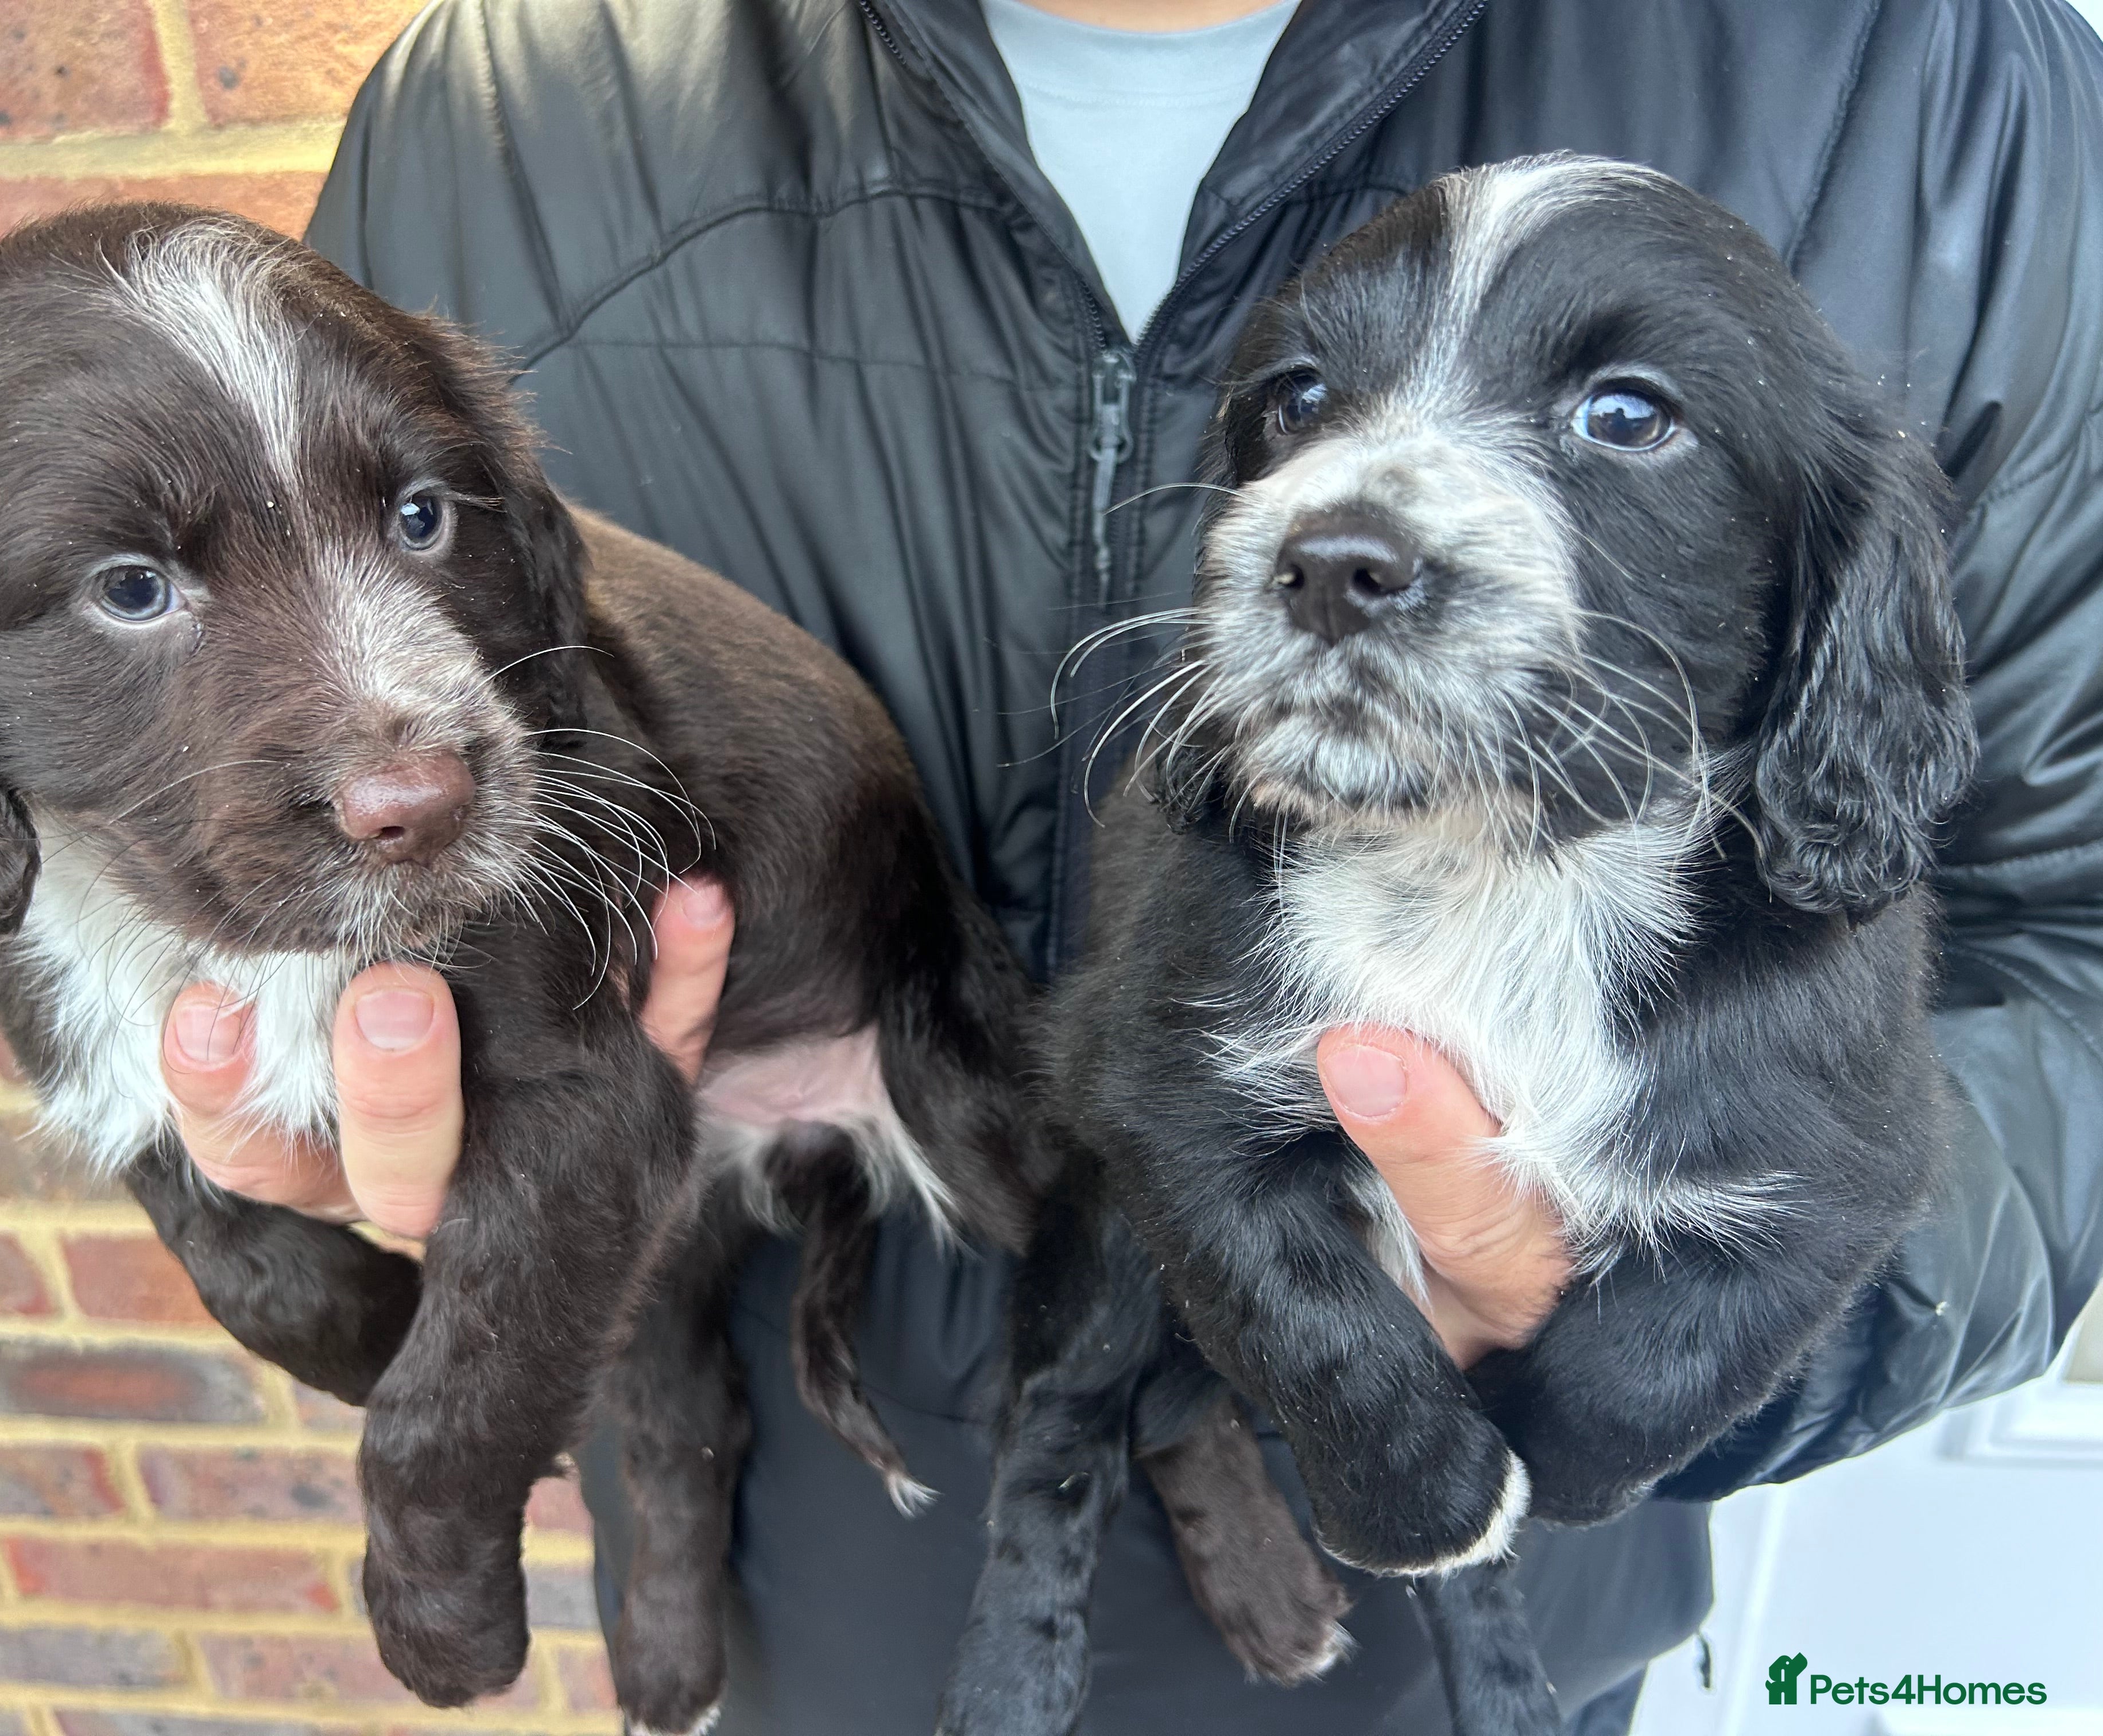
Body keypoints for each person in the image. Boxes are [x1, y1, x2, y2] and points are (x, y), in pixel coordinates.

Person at [157, 0, 2103, 1729]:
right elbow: (279, 770)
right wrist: (332, 1140)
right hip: (816, 1549)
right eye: (1300, 412)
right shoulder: (489, 110)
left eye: (1622, 416)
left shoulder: (1927, 72)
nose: (1335, 531)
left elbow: (2068, 936)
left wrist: (1706, 1340)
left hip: (1541, 1571)